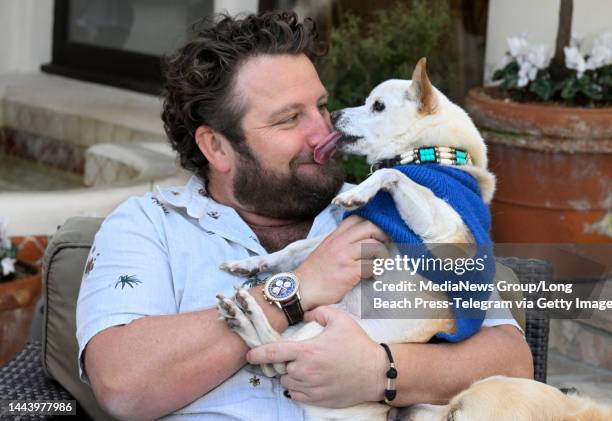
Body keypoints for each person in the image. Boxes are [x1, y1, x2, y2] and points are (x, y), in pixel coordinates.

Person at [76, 11, 533, 420]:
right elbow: (122, 385)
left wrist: (382, 371)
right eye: (289, 119)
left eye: (320, 105)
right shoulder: (150, 226)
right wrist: (295, 290)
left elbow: (512, 362)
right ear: (216, 147)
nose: (323, 130)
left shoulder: (392, 209)